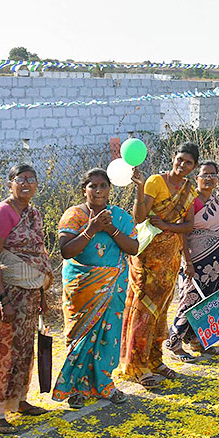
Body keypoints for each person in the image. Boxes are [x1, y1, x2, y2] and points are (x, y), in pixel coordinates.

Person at [53, 168, 138, 408]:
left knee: (107, 337)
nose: (98, 190)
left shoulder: (119, 216)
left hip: (113, 288)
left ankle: (104, 384)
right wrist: (91, 229)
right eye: (93, 186)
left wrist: (110, 228)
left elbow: (133, 248)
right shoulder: (74, 216)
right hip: (82, 288)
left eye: (103, 186)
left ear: (110, 189)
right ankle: (76, 389)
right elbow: (66, 251)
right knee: (79, 337)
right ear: (84, 189)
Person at [118, 143, 198, 387]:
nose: (182, 165)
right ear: (173, 158)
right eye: (180, 159)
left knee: (161, 310)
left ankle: (155, 360)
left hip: (170, 257)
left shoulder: (188, 190)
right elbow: (140, 218)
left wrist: (168, 227)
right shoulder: (155, 181)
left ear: (193, 167)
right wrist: (140, 190)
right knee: (143, 310)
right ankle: (136, 365)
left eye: (188, 163)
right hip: (147, 256)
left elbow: (188, 226)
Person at [0, 164, 53, 430]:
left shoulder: (33, 213)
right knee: (3, 351)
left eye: (31, 179)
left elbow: (38, 254)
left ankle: (19, 400)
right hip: (9, 294)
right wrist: (4, 299)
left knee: (25, 350)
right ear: (9, 184)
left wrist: (41, 293)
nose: (26, 184)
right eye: (20, 179)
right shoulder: (3, 212)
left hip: (30, 294)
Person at [168, 160, 219, 355]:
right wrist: (188, 262)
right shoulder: (190, 201)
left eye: (212, 174)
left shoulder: (216, 200)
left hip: (215, 263)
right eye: (204, 175)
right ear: (197, 179)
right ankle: (174, 342)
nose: (209, 178)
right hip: (196, 261)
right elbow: (183, 233)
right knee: (190, 299)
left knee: (206, 300)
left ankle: (196, 340)